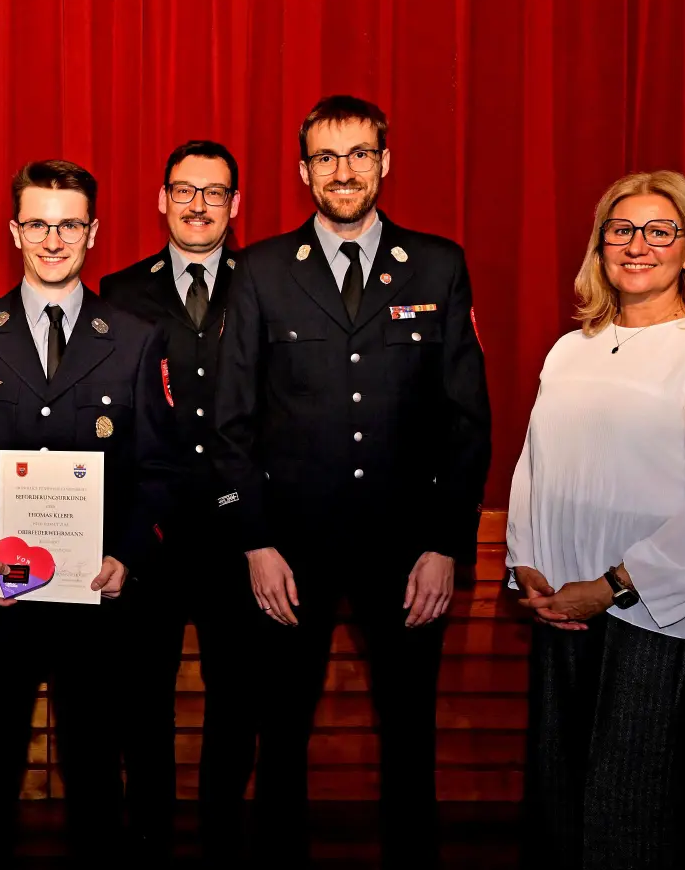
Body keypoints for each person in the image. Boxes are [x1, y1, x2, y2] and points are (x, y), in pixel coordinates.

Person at [211, 95, 491, 869]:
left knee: (409, 730)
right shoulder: (263, 270)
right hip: (289, 554)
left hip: (407, 554)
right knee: (283, 733)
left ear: (385, 162)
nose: (344, 171)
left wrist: (446, 544)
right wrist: (254, 540)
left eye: (360, 154)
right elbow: (230, 425)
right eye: (327, 157)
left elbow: (468, 420)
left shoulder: (438, 264)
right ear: (303, 170)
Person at [0, 160, 181, 860]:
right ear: (14, 230)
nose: (53, 239)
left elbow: (159, 467)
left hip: (96, 603)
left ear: (92, 233)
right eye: (38, 223)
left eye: (68, 225)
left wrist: (130, 554)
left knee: (96, 780)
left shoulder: (134, 337)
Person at [507, 170, 685, 870]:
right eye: (621, 230)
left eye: (658, 231)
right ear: (601, 245)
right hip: (562, 608)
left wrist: (614, 584)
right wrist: (526, 564)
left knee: (630, 820)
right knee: (558, 812)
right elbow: (535, 466)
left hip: (652, 618)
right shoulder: (571, 349)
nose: (637, 246)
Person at [98, 139, 252, 858]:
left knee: (236, 700)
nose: (197, 205)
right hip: (149, 532)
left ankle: (222, 834)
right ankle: (149, 831)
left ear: (234, 204)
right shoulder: (121, 291)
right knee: (141, 701)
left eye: (214, 192)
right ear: (161, 199)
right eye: (184, 190)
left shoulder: (268, 283)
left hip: (239, 532)